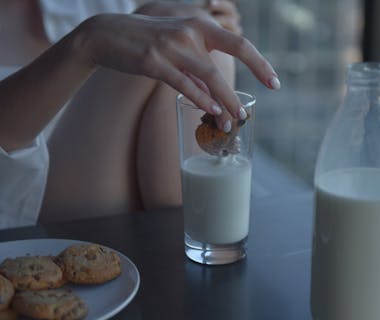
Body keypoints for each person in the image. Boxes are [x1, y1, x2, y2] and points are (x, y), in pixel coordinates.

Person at [0, 0, 280, 229]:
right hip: (19, 198)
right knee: (175, 21)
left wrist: (215, 24)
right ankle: (203, 241)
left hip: (123, 175)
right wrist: (86, 44)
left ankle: (197, 239)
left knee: (191, 34)